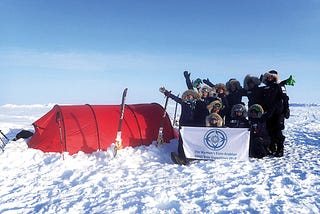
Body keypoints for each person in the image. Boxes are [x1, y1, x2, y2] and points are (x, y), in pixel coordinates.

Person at [160, 88, 200, 165]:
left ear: (194, 97)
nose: (189, 97)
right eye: (188, 96)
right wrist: (167, 93)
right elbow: (175, 98)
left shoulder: (197, 104)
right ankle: (181, 156)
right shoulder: (184, 103)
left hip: (193, 126)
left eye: (191, 96)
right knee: (181, 141)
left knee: (191, 141)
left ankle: (190, 156)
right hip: (184, 125)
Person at [259, 70, 289, 157]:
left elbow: (285, 98)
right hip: (268, 113)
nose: (270, 78)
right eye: (268, 77)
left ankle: (280, 148)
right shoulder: (265, 88)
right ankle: (272, 147)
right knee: (269, 130)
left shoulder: (279, 86)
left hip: (278, 113)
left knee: (277, 131)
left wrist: (287, 109)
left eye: (271, 76)